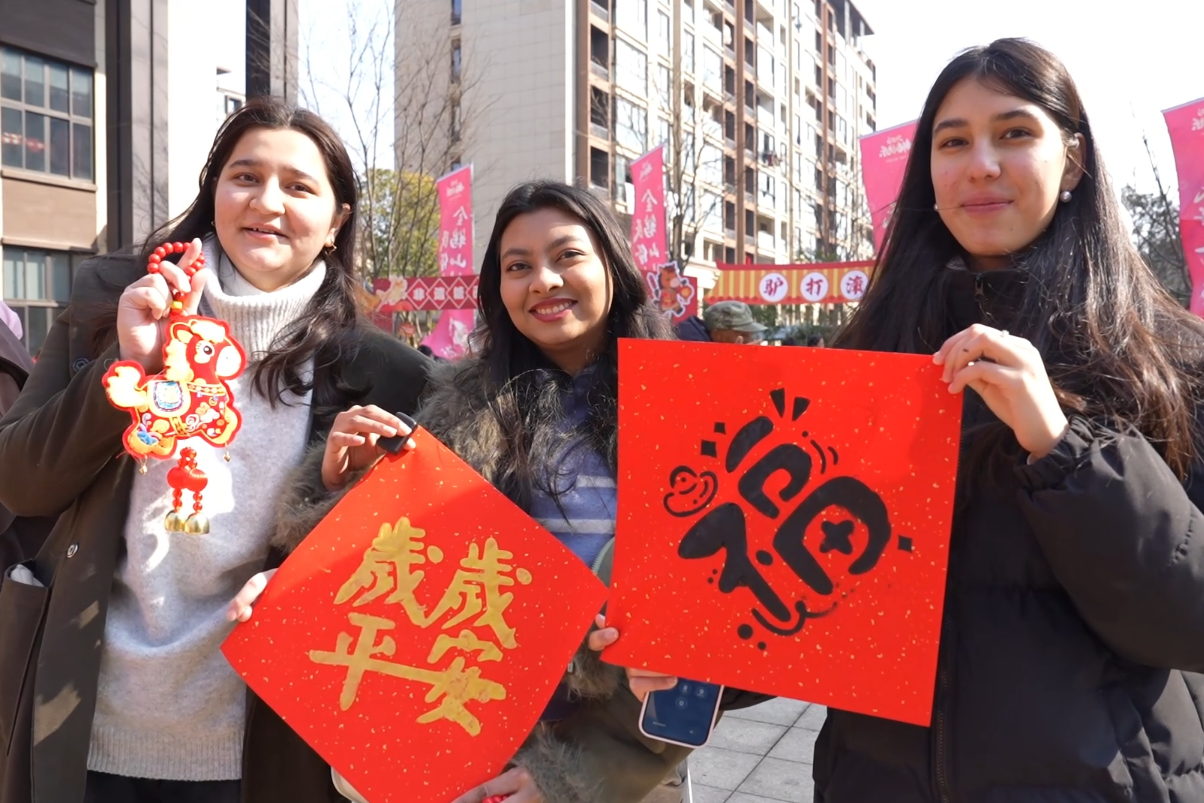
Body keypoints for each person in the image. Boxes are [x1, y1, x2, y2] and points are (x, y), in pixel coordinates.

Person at [230, 180, 765, 803]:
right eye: (518, 267)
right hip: (468, 736)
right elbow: (415, 558)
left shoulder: (696, 415)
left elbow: (728, 618)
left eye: (567, 256)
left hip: (626, 762)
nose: (542, 281)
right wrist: (304, 585)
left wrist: (573, 779)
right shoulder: (461, 408)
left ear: (613, 266)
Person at [0, 97, 431, 803]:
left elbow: (405, 572)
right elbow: (18, 481)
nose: (267, 202)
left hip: (267, 749)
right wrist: (130, 368)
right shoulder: (110, 310)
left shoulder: (389, 376)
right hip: (90, 728)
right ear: (214, 195)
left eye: (299, 187)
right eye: (245, 177)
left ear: (337, 221)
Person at [824, 38, 1204, 802]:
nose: (982, 164)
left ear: (1074, 161)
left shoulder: (1168, 360)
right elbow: (805, 596)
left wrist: (1064, 448)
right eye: (953, 141)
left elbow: (1189, 618)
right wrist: (688, 660)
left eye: (1014, 133)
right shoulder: (867, 356)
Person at [702, 300, 767, 344]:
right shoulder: (698, 358)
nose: (750, 340)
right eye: (743, 335)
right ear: (718, 336)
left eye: (751, 335)